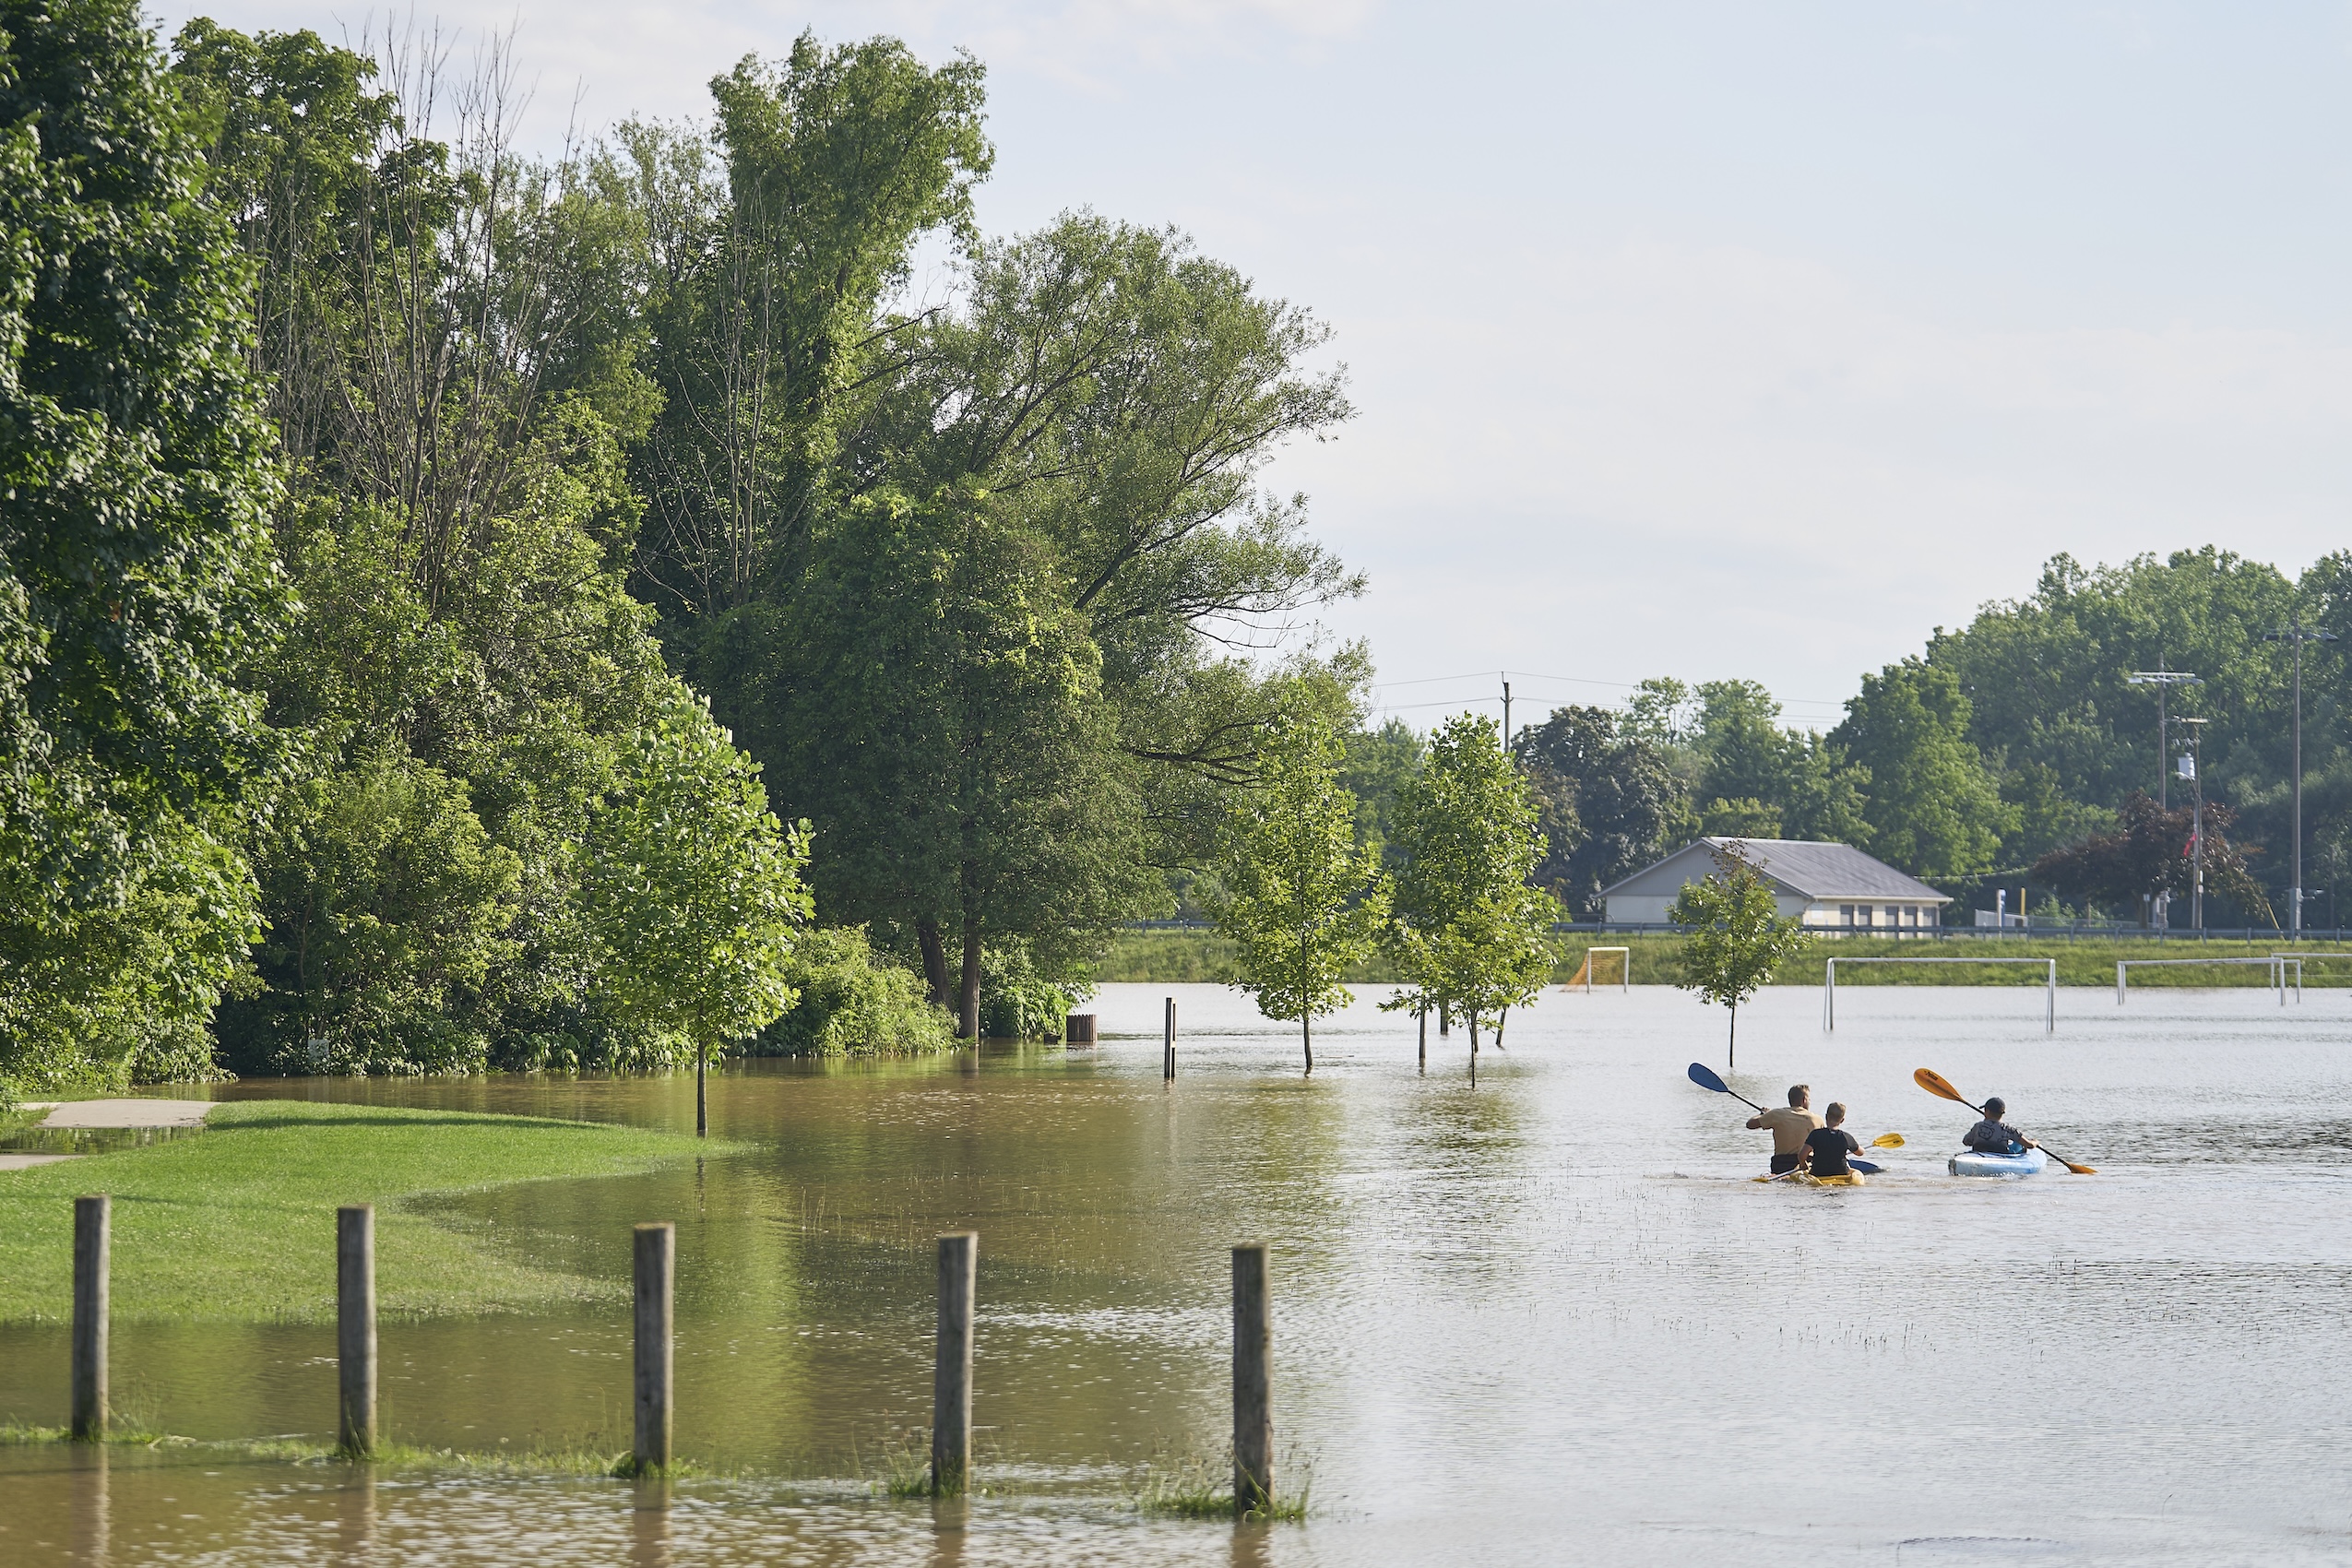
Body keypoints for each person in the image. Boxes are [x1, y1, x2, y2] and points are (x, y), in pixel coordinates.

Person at [1747, 1084, 1824, 1176]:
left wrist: (1763, 1114)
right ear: (1804, 1100)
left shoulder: (1776, 1114)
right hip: (1807, 1165)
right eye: (1809, 1100)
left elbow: (1750, 1124)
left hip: (1781, 1165)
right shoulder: (1817, 1119)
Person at [1800, 1101, 1864, 1182]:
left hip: (1818, 1173)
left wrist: (1803, 1164)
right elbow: (1860, 1153)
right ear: (1842, 1120)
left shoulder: (1815, 1134)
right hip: (1841, 1174)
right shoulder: (1846, 1137)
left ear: (1826, 1116)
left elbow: (1802, 1155)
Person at [1962, 1097, 2038, 1157]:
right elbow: (2030, 1145)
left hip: (1980, 1154)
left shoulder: (1978, 1126)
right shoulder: (2009, 1129)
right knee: (2018, 1145)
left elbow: (1966, 1142)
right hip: (2000, 1156)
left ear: (1987, 1111)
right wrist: (2036, 1142)